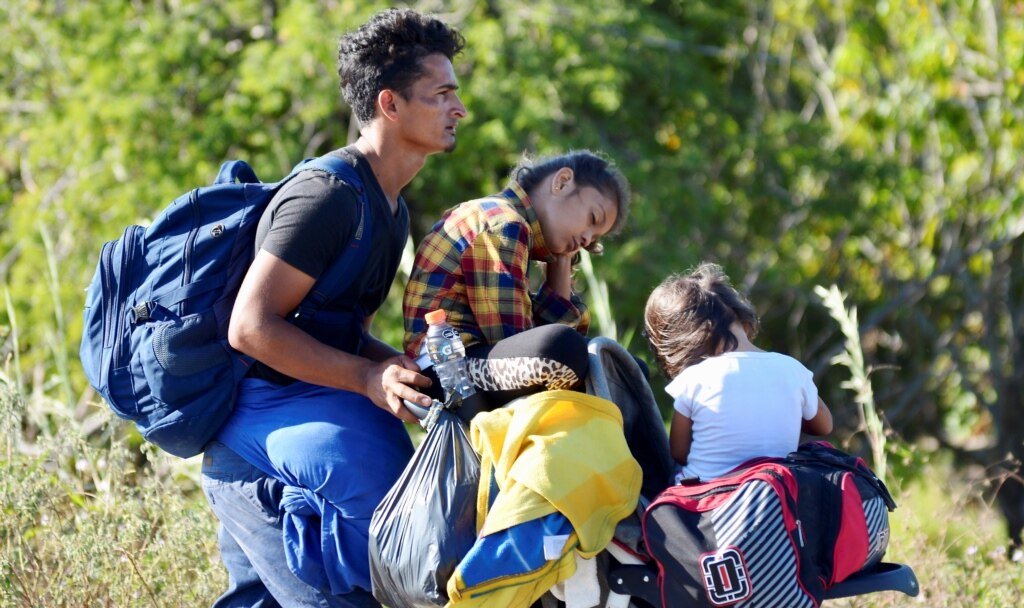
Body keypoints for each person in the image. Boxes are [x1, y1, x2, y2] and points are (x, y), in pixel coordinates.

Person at [199, 9, 466, 607]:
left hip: (295, 439)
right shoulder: (327, 196)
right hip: (255, 452)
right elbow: (251, 327)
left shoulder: (390, 206)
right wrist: (367, 377)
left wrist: (394, 367)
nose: (459, 109)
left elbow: (341, 331)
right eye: (443, 94)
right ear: (390, 104)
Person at [401, 150, 631, 414]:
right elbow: (517, 342)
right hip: (447, 371)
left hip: (481, 363)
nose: (588, 239)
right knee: (565, 350)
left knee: (619, 368)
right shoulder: (504, 221)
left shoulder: (515, 226)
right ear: (562, 182)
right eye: (593, 219)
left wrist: (562, 259)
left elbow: (525, 350)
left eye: (595, 239)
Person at [643, 262, 834, 482]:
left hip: (705, 506)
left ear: (685, 343)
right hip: (774, 498)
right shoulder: (792, 369)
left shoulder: (693, 380)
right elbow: (824, 425)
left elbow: (679, 452)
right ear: (744, 319)